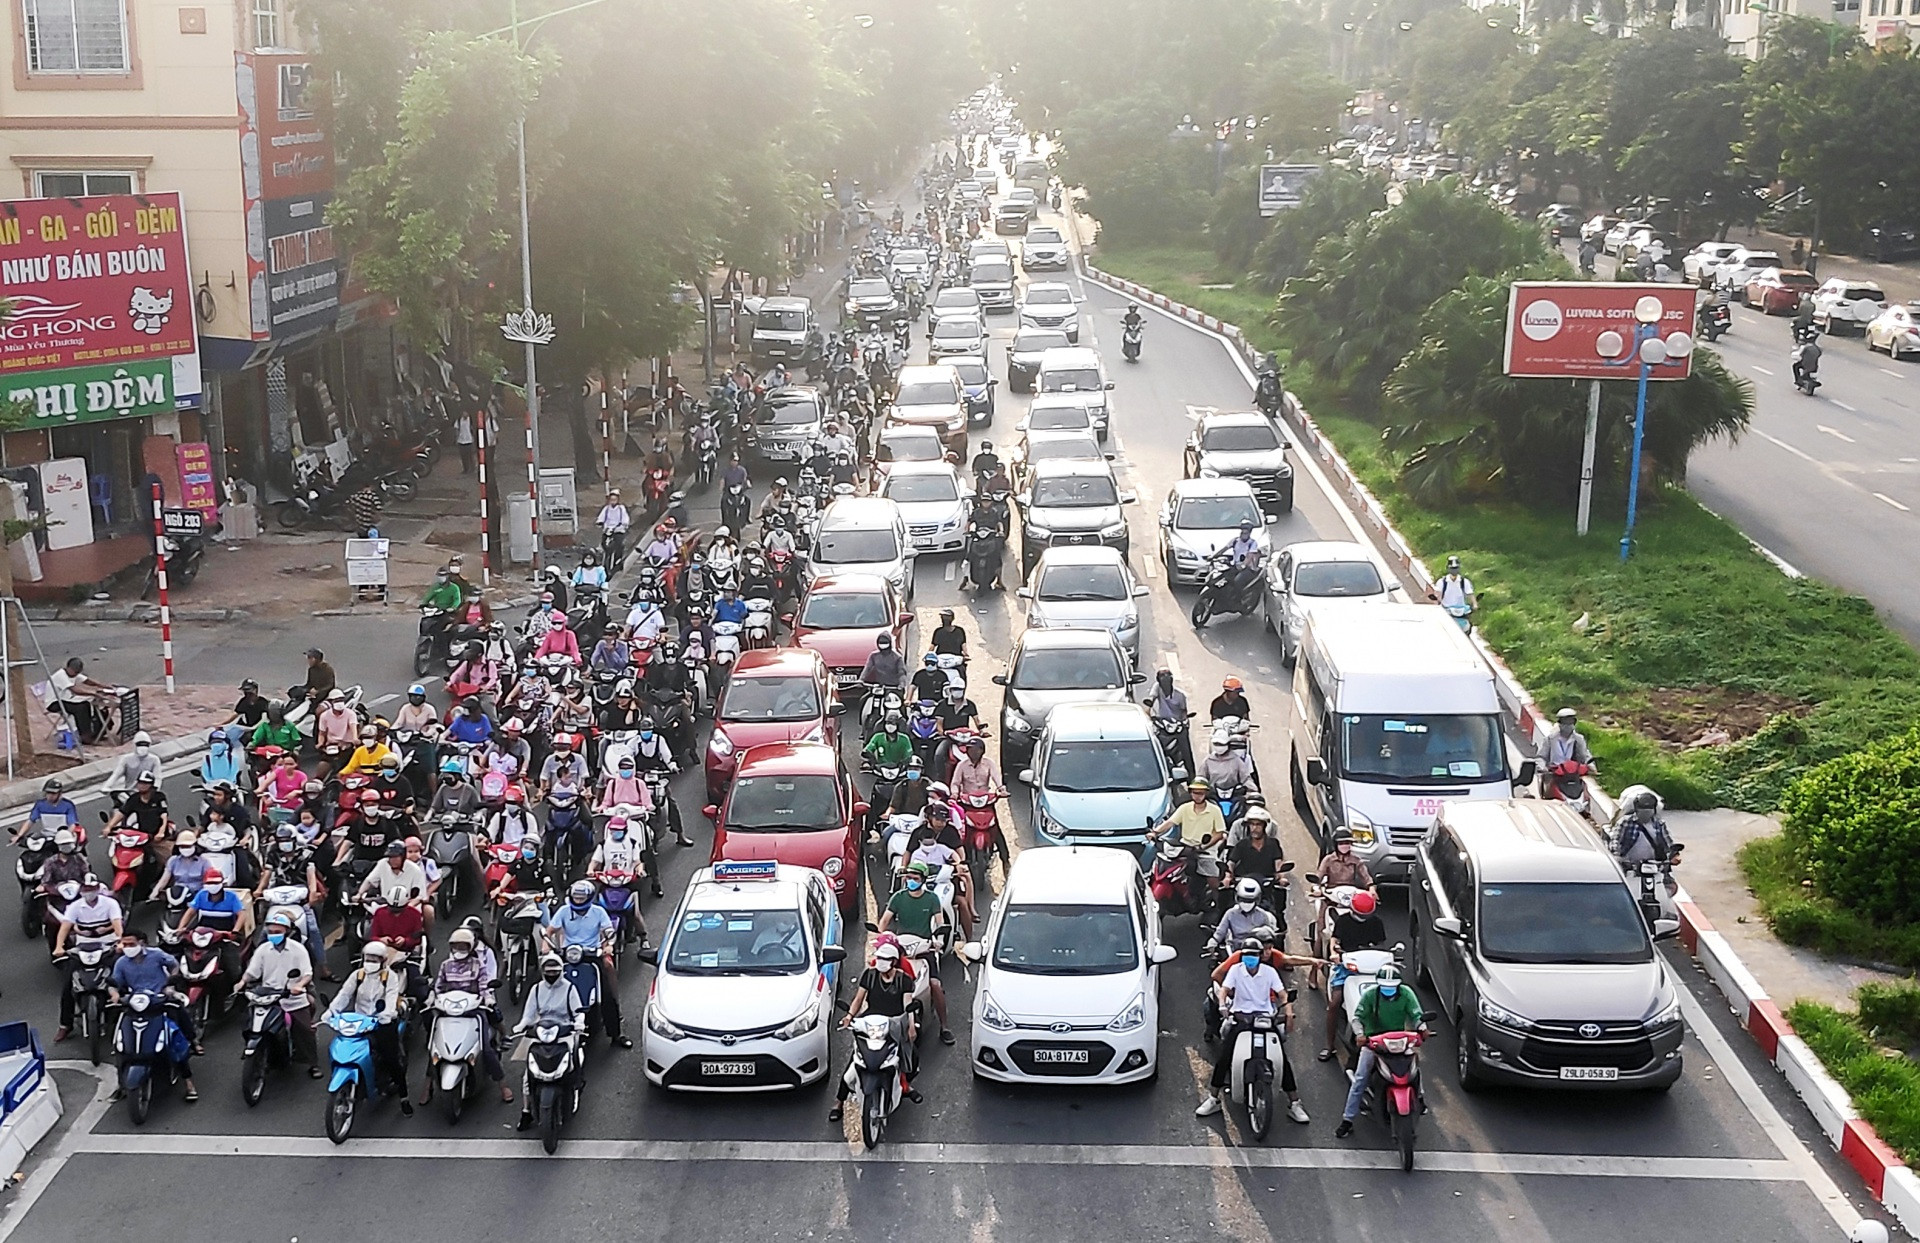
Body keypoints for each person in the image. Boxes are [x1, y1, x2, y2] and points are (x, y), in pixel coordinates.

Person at [1197, 936, 1307, 1124]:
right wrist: (1223, 1005)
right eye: (1247, 955)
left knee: (1283, 1059)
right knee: (1224, 1057)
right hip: (1241, 1019)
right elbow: (1224, 990)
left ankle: (1294, 1103)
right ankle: (1213, 1098)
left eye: (1254, 955)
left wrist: (1288, 1011)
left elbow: (1282, 994)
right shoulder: (1235, 970)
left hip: (1265, 1019)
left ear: (1260, 956)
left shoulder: (1269, 972)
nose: (1250, 959)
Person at [830, 940, 921, 1120]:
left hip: (895, 1024)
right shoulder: (869, 975)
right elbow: (858, 999)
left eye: (885, 959)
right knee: (855, 1062)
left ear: (894, 961)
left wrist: (911, 1025)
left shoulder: (904, 980)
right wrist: (849, 1016)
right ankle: (839, 1102)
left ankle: (905, 1086)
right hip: (871, 1023)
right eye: (879, 958)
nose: (881, 962)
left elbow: (907, 1004)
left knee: (910, 1057)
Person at [422, 926, 512, 1104]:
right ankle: (428, 1086)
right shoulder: (446, 965)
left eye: (463, 946)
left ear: (470, 947)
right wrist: (431, 999)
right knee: (434, 1048)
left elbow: (485, 987)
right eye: (456, 946)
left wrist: (488, 1000)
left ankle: (503, 1085)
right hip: (448, 1012)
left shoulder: (478, 965)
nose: (459, 950)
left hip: (473, 1012)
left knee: (486, 1050)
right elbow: (438, 986)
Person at [1335, 964, 1427, 1138]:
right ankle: (1347, 1119)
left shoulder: (1407, 994)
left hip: (1399, 1041)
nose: (1388, 990)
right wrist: (1361, 1035)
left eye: (1392, 987)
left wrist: (1422, 1028)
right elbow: (1357, 1018)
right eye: (1385, 987)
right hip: (1374, 1043)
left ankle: (1420, 1098)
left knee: (1415, 1068)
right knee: (1360, 1079)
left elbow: (1416, 1015)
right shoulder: (1370, 996)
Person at [108, 932, 198, 1099]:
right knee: (121, 1042)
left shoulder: (156, 955)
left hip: (159, 1000)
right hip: (136, 1003)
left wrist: (170, 985)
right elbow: (115, 983)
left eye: (130, 944)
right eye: (124, 944)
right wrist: (114, 995)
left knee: (175, 1034)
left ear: (141, 943)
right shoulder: (121, 963)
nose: (126, 948)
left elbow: (173, 965)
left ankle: (189, 1081)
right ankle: (121, 1084)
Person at [325, 942, 412, 1114]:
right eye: (368, 958)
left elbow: (391, 998)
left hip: (382, 1023)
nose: (370, 961)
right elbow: (344, 994)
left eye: (375, 958)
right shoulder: (357, 975)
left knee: (391, 1059)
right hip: (359, 1023)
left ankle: (404, 1098)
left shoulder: (390, 977)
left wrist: (387, 1015)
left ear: (384, 960)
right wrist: (331, 1012)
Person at [542, 879, 629, 1047]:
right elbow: (550, 930)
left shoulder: (598, 912)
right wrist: (546, 945)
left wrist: (608, 946)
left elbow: (608, 931)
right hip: (568, 954)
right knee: (549, 980)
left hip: (591, 954)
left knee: (606, 991)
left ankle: (616, 1034)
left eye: (582, 898)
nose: (578, 901)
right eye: (576, 897)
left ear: (589, 898)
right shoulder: (564, 911)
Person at [876, 863, 953, 1044]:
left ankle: (944, 1026)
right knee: (880, 975)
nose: (911, 882)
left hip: (924, 948)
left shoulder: (932, 899)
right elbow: (885, 920)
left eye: (915, 879)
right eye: (908, 878)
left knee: (934, 984)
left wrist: (939, 940)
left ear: (923, 880)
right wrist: (881, 937)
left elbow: (939, 922)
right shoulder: (898, 898)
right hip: (901, 948)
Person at [238, 911, 322, 1077]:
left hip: (292, 996)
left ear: (287, 931)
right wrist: (242, 982)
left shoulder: (298, 949)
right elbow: (252, 972)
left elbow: (307, 973)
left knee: (304, 1029)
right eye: (270, 932)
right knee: (249, 1023)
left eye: (277, 932)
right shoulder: (263, 949)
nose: (273, 935)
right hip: (267, 996)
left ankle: (313, 1063)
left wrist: (299, 985)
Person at [514, 954, 585, 1130]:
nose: (551, 973)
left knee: (577, 1058)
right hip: (542, 1033)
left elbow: (578, 1011)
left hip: (564, 1032)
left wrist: (579, 1023)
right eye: (548, 970)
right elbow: (529, 1014)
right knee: (528, 1074)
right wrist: (521, 1025)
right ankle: (526, 1111)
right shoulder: (536, 989)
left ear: (561, 971)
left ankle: (575, 1087)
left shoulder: (569, 988)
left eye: (555, 970)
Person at [1319, 888, 1388, 1061]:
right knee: (1335, 1002)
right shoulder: (1343, 921)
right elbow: (1335, 940)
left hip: (1371, 967)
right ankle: (1329, 1045)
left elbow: (1381, 944)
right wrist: (1334, 953)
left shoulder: (1377, 923)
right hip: (1348, 965)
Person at [52, 874, 123, 1039]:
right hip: (83, 948)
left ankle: (122, 1015)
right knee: (67, 985)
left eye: (91, 889)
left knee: (119, 977)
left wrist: (120, 942)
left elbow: (117, 925)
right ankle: (65, 1025)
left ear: (98, 889)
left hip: (107, 945)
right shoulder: (75, 906)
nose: (88, 892)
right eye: (85, 889)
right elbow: (64, 927)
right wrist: (59, 946)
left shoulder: (110, 904)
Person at [948, 736, 1009, 870]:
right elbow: (955, 783)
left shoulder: (989, 764)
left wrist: (1001, 789)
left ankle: (1005, 860)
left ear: (981, 750)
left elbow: (997, 778)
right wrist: (954, 794)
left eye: (975, 750)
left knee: (995, 829)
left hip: (986, 801)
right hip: (968, 802)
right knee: (961, 829)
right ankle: (961, 858)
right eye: (969, 749)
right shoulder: (962, 765)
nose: (972, 752)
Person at [1149, 779, 1227, 856]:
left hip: (1206, 852)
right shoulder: (1184, 808)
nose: (1197, 796)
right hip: (1184, 848)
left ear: (1206, 793)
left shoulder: (1215, 810)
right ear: (1190, 792)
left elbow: (1219, 834)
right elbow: (1170, 822)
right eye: (1195, 793)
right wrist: (1155, 832)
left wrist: (1202, 847)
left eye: (1201, 793)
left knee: (1207, 867)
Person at [49, 657, 115, 744]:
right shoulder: (61, 675)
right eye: (75, 672)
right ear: (69, 668)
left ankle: (98, 731)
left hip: (67, 698)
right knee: (81, 708)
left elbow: (87, 680)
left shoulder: (74, 674)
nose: (76, 674)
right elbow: (75, 690)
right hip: (54, 702)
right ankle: (85, 736)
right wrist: (92, 693)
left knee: (89, 704)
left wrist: (103, 686)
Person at [1209, 876, 1278, 955]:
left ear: (1257, 900)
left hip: (1257, 952)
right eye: (1243, 900)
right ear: (1237, 898)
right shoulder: (1230, 914)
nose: (1246, 904)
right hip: (1236, 951)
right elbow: (1220, 933)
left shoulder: (1263, 915)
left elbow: (1269, 937)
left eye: (1250, 901)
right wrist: (1212, 942)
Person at [1225, 807, 1286, 888]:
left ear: (1264, 826)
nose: (1254, 828)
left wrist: (1281, 877)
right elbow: (1231, 862)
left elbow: (1278, 863)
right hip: (1244, 882)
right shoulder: (1242, 844)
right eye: (1252, 824)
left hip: (1267, 883)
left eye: (1258, 825)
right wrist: (1228, 877)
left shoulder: (1273, 844)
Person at [1613, 790, 1675, 865]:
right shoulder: (1626, 822)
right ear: (1636, 809)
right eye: (1642, 808)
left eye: (1649, 808)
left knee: (1667, 876)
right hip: (1629, 864)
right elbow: (1616, 839)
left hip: (1653, 864)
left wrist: (1674, 854)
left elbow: (1668, 842)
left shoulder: (1659, 824)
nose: (1646, 812)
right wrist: (1616, 855)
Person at [15, 779, 78, 843]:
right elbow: (30, 821)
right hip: (46, 835)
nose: (50, 796)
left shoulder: (68, 805)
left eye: (53, 793)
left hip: (62, 836)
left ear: (60, 793)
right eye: (48, 793)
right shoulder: (40, 804)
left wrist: (66, 836)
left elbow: (72, 825)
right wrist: (19, 835)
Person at [105, 731, 162, 799]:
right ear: (135, 745)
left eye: (145, 744)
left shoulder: (154, 760)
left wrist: (155, 790)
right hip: (129, 793)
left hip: (146, 794)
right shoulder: (126, 759)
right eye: (139, 744)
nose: (142, 747)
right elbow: (116, 774)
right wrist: (106, 786)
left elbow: (157, 778)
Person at [1315, 828, 1375, 893]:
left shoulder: (1356, 860)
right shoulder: (1328, 859)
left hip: (1350, 893)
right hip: (1331, 893)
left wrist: (1371, 887)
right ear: (1336, 844)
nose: (1344, 846)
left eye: (1347, 843)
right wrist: (1316, 888)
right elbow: (1319, 875)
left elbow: (1365, 876)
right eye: (1341, 843)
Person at [1539, 707, 1595, 774]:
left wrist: (1591, 765)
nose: (1568, 725)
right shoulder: (1550, 739)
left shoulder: (1579, 739)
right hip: (1554, 774)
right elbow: (1542, 757)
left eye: (1571, 722)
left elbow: (1585, 755)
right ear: (1560, 723)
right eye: (1565, 722)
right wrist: (1542, 767)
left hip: (1573, 774)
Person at [595, 489, 631, 568]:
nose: (613, 501)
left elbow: (625, 520)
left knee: (619, 544)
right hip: (608, 530)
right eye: (611, 500)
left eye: (614, 500)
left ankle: (618, 559)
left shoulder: (621, 508)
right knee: (603, 543)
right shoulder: (607, 509)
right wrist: (599, 522)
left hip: (618, 530)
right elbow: (601, 517)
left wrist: (623, 525)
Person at [1435, 555, 1476, 623]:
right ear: (1448, 569)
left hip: (1462, 610)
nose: (1454, 570)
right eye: (1452, 568)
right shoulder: (1442, 582)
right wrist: (1438, 602)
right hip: (1447, 610)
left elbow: (1470, 593)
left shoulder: (1464, 581)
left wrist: (1474, 604)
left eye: (1456, 568)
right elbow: (1438, 594)